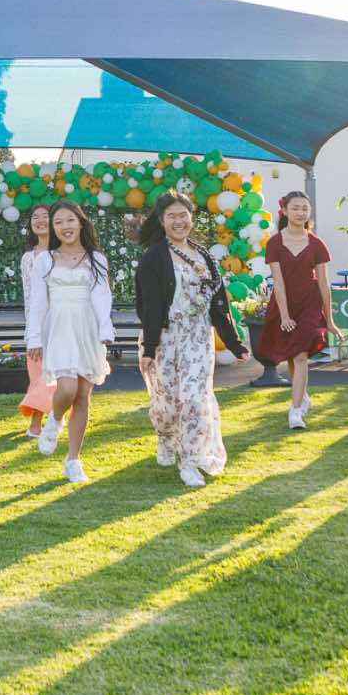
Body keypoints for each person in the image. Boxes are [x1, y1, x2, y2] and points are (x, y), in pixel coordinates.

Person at [136, 193, 248, 485]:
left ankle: (191, 461)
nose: (179, 221)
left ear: (191, 218)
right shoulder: (153, 258)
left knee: (195, 400)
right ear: (162, 221)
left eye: (183, 215)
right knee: (167, 406)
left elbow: (218, 304)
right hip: (165, 337)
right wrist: (149, 348)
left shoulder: (205, 257)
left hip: (197, 338)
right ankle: (165, 436)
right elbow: (149, 306)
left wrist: (234, 343)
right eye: (171, 216)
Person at [27, 201, 114, 484]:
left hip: (87, 328)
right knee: (67, 387)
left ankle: (73, 460)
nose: (65, 226)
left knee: (83, 396)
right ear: (53, 229)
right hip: (60, 327)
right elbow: (38, 302)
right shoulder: (45, 260)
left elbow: (102, 297)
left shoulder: (96, 259)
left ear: (80, 222)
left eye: (70, 220)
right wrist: (34, 337)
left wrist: (105, 328)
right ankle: (54, 419)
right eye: (59, 222)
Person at [253, 190, 332, 430]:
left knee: (300, 356)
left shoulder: (317, 244)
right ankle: (303, 394)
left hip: (310, 303)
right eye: (295, 208)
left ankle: (295, 411)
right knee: (292, 353)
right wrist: (285, 316)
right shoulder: (275, 243)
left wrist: (329, 320)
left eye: (305, 209)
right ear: (285, 211)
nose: (300, 213)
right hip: (284, 303)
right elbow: (278, 282)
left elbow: (324, 283)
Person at [18, 206, 58, 444]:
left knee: (56, 373)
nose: (40, 221)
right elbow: (29, 295)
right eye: (35, 217)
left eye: (45, 217)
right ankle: (44, 418)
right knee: (38, 374)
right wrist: (31, 328)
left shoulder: (63, 253)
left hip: (61, 321)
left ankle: (41, 421)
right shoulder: (28, 258)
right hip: (36, 325)